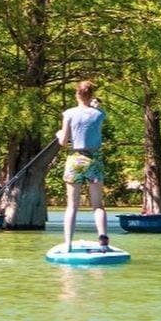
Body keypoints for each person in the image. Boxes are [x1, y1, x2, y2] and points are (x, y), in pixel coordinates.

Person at [57, 80, 109, 252]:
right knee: (98, 205)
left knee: (72, 205)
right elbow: (95, 112)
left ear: (76, 94)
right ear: (91, 94)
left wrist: (59, 135)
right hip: (94, 159)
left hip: (75, 159)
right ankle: (103, 239)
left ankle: (68, 244)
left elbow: (63, 142)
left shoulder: (69, 113)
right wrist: (94, 105)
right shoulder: (99, 114)